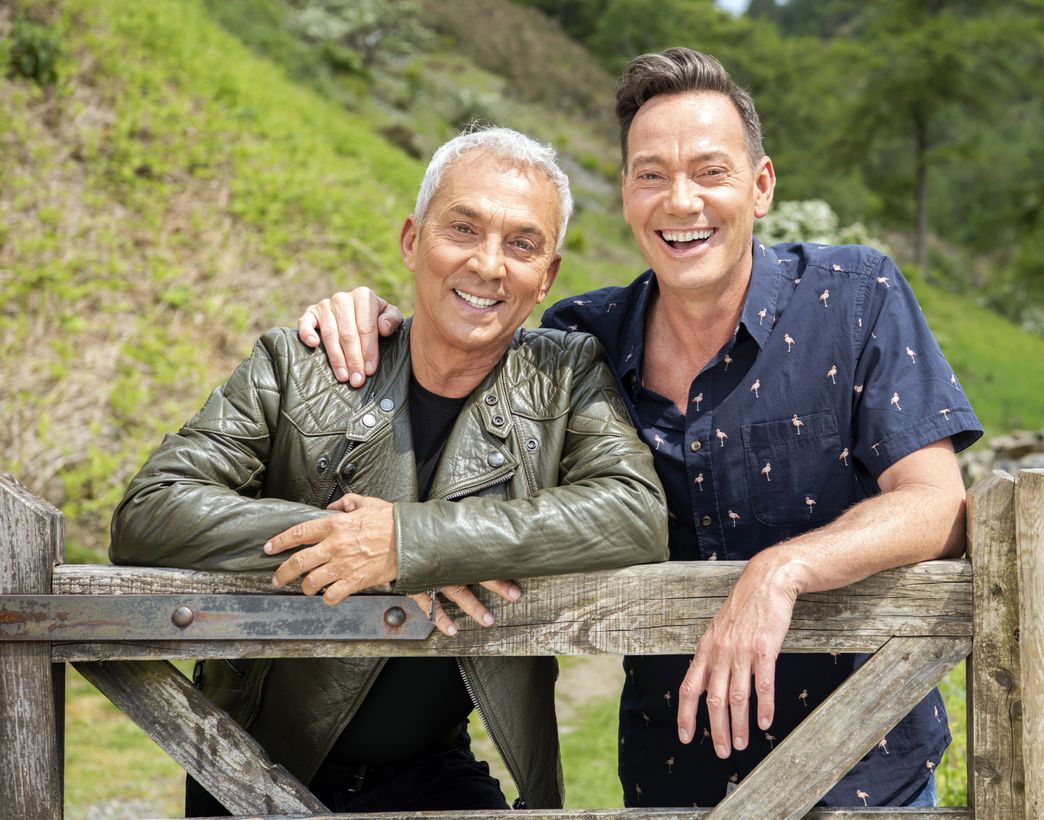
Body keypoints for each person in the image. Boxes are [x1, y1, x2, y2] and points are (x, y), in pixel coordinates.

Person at [297, 48, 983, 808]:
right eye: (651, 174)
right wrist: (371, 320)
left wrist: (780, 571)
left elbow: (935, 504)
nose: (680, 202)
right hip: (670, 779)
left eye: (710, 172)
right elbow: (452, 386)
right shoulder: (577, 344)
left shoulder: (857, 296)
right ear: (625, 194)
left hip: (864, 772)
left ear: (760, 187)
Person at [109, 126, 669, 815]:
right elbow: (151, 510)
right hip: (252, 765)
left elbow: (634, 514)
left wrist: (412, 543)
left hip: (438, 769)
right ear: (412, 240)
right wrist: (346, 545)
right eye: (462, 228)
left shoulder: (567, 375)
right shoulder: (299, 363)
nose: (489, 264)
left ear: (547, 275)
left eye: (521, 244)